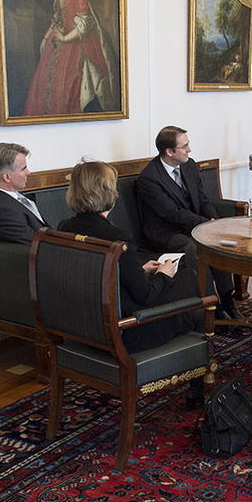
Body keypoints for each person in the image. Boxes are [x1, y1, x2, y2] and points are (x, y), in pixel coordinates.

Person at [58, 160, 205, 406]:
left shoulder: (65, 228)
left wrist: (139, 269)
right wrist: (163, 275)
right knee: (189, 283)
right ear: (108, 193)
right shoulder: (117, 238)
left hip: (83, 328)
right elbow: (145, 296)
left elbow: (102, 277)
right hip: (124, 334)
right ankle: (199, 380)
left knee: (179, 285)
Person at [136, 126, 240, 320]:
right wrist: (204, 225)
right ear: (169, 152)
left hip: (190, 225)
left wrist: (214, 222)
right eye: (184, 146)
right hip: (166, 233)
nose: (189, 150)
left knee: (216, 238)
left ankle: (228, 300)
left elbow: (202, 199)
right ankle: (210, 307)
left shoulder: (189, 165)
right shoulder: (149, 178)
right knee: (194, 246)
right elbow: (172, 214)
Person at [22, 0, 117, 116]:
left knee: (68, 92)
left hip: (74, 44)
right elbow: (57, 16)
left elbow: (85, 21)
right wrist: (45, 37)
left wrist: (65, 38)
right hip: (56, 40)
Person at [0, 142, 48, 244]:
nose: (28, 172)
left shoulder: (12, 198)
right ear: (7, 177)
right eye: (23, 169)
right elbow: (38, 245)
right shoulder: (4, 213)